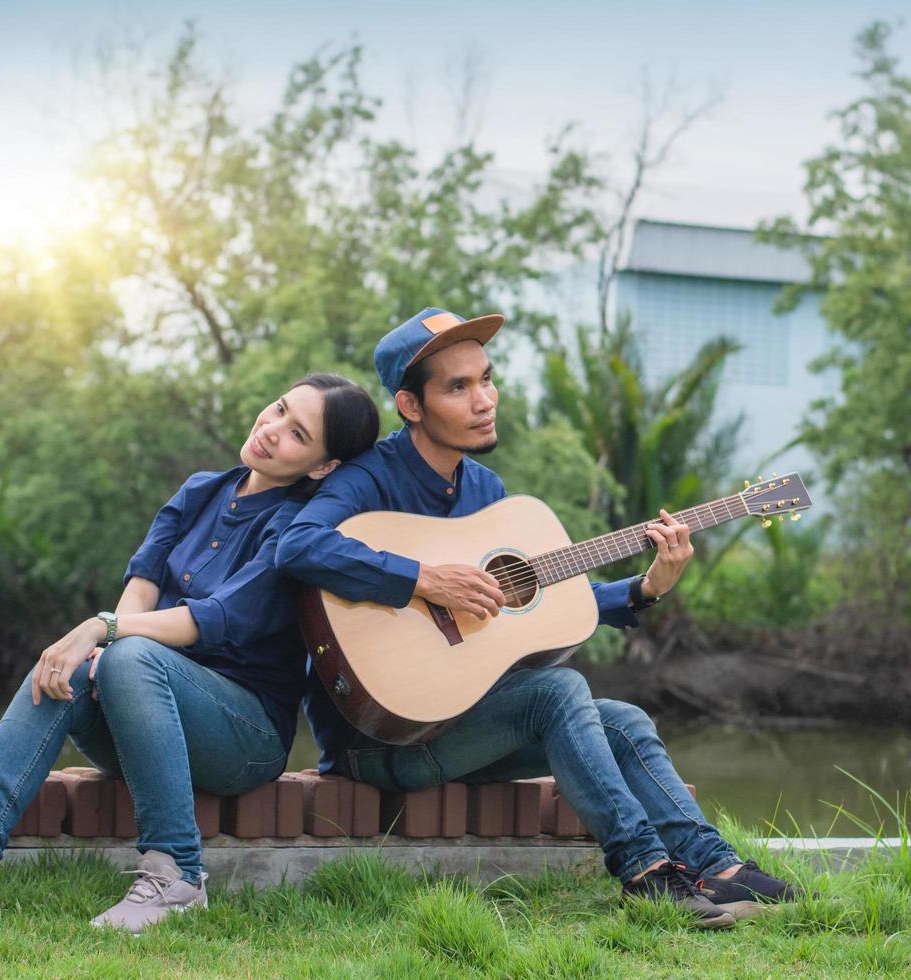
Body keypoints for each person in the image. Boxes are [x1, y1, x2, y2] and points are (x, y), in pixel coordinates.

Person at [276, 309, 798, 929]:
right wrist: (420, 578)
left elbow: (539, 601)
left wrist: (645, 588)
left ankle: (718, 867)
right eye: (458, 388)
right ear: (410, 406)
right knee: (556, 690)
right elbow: (297, 546)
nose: (484, 401)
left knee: (624, 720)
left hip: (462, 726)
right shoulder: (368, 479)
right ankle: (644, 873)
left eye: (488, 380)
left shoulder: (485, 490)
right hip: (380, 740)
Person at [0, 373, 380, 932]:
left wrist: (104, 628)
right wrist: (97, 639)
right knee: (61, 665)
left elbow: (212, 620)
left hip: (242, 736)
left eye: (298, 433)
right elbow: (142, 584)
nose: (272, 429)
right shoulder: (201, 490)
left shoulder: (295, 526)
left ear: (322, 466)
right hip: (147, 716)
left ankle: (177, 876)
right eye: (279, 408)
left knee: (124, 652)